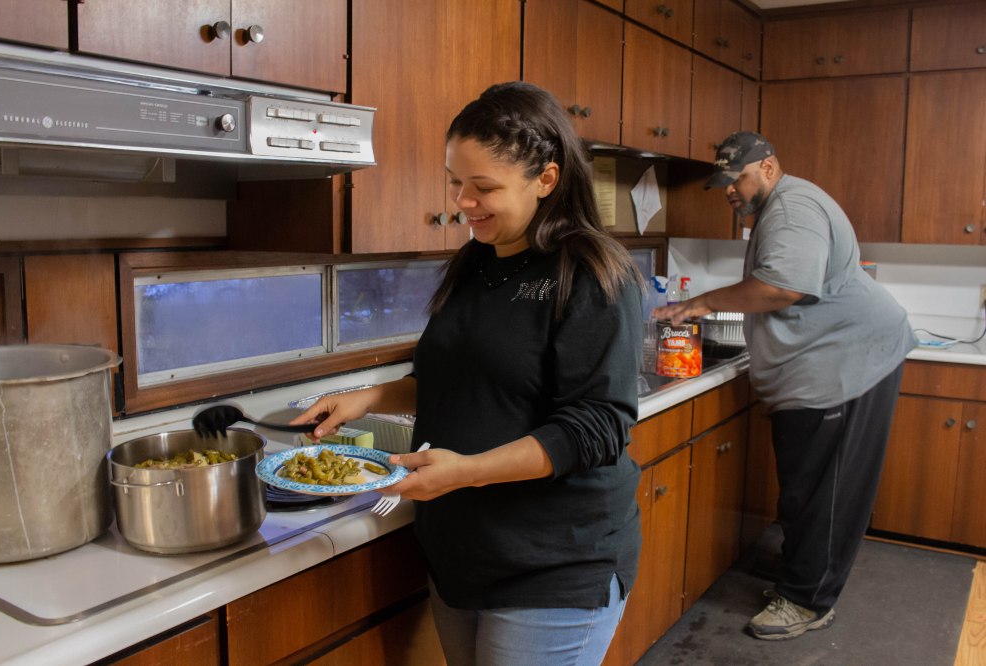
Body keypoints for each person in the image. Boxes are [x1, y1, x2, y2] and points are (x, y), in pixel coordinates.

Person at [291, 81, 645, 665]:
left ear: (546, 181)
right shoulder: (477, 262)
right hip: (462, 554)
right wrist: (368, 396)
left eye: (484, 187)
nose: (464, 201)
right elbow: (462, 379)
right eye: (457, 181)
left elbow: (597, 427)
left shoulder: (591, 274)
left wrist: (467, 473)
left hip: (553, 565)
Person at [656, 131, 917, 641]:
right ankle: (802, 574)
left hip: (847, 367)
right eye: (724, 183)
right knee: (806, 487)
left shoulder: (792, 209)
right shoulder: (780, 207)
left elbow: (783, 287)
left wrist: (704, 303)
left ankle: (807, 601)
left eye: (738, 179)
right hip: (825, 368)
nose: (730, 191)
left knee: (827, 491)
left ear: (769, 167)